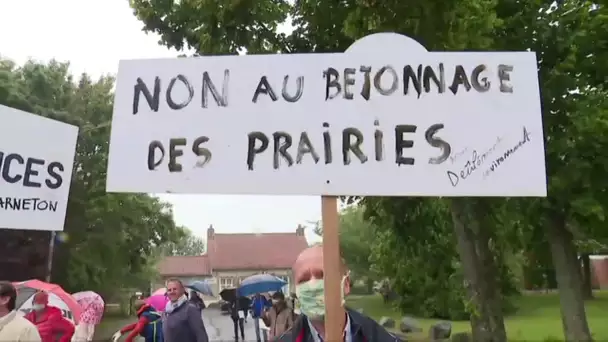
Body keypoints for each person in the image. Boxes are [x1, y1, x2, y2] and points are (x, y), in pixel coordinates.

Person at [276, 245, 401, 342]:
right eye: (304, 279)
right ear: (296, 291)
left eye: (322, 275)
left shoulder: (380, 338)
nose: (313, 284)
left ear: (346, 284)